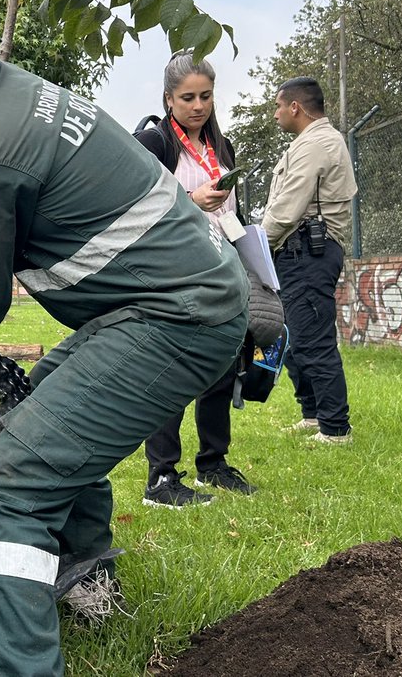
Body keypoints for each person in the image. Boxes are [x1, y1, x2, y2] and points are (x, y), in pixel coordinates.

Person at [0, 0, 248, 677]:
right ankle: (86, 580)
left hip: (178, 319)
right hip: (164, 304)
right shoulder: (2, 95)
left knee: (7, 481)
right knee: (47, 419)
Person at [137, 51, 256, 506]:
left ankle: (213, 464)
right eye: (188, 97)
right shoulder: (155, 143)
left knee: (222, 368)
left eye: (206, 96)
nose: (198, 105)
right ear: (169, 99)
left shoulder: (220, 147)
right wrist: (191, 199)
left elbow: (231, 210)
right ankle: (161, 478)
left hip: (221, 268)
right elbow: (139, 204)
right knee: (172, 371)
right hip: (173, 273)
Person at [262, 77, 358, 443]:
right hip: (297, 251)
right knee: (292, 338)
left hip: (308, 252)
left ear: (295, 108)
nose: (275, 114)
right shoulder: (308, 143)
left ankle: (335, 428)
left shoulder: (317, 143)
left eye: (278, 106)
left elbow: (287, 210)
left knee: (312, 338)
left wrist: (256, 247)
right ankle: (313, 414)